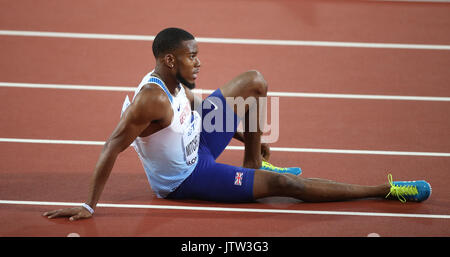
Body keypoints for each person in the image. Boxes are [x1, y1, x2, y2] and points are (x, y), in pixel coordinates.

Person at [43, 28, 431, 221]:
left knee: (254, 80)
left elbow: (192, 105)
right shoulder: (151, 99)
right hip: (188, 177)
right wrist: (86, 205)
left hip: (198, 138)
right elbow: (112, 145)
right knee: (286, 186)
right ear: (170, 61)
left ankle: (253, 164)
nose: (200, 62)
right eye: (192, 57)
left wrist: (247, 135)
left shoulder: (175, 83)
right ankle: (386, 189)